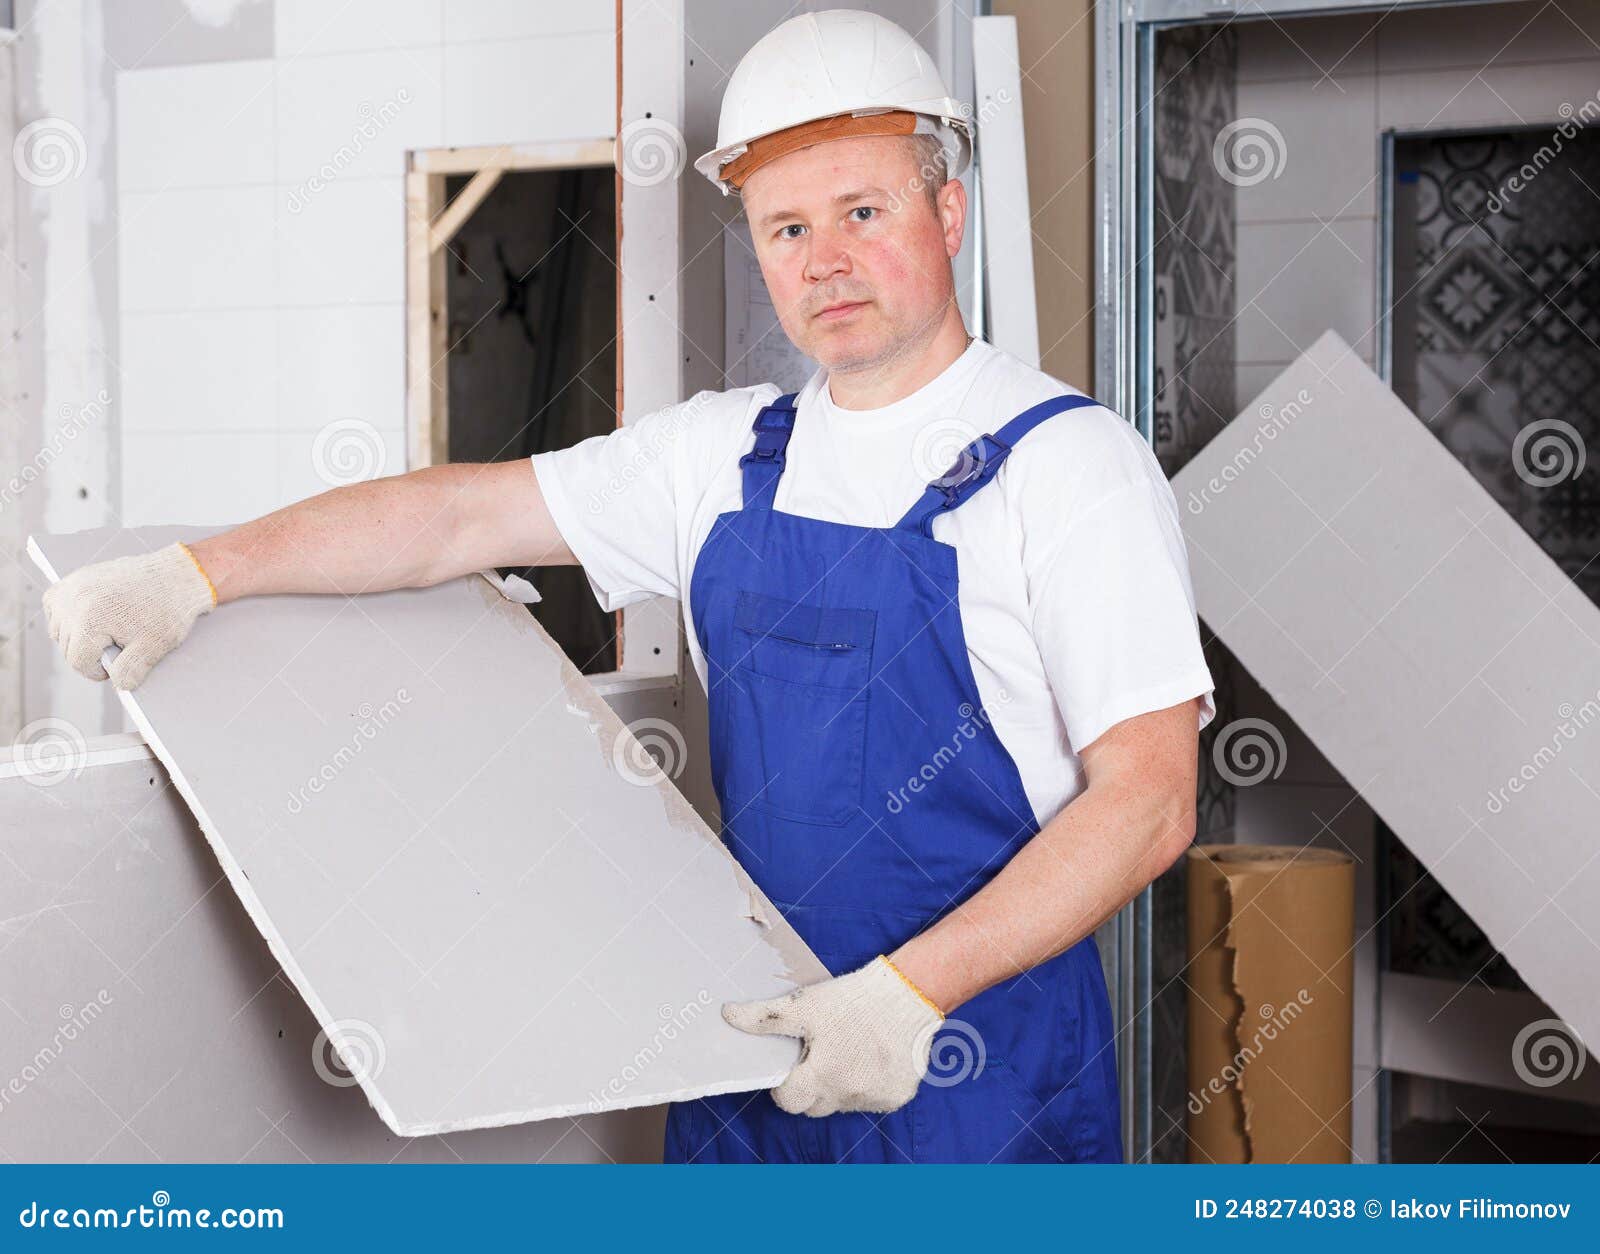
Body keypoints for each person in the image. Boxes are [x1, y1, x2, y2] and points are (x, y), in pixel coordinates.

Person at [42, 8, 1214, 1164]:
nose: (827, 261)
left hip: (970, 1068)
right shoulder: (722, 456)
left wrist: (907, 994)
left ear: (946, 209)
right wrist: (199, 572)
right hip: (744, 1049)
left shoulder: (1067, 465)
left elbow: (1150, 800)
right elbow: (454, 517)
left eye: (863, 211)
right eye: (786, 228)